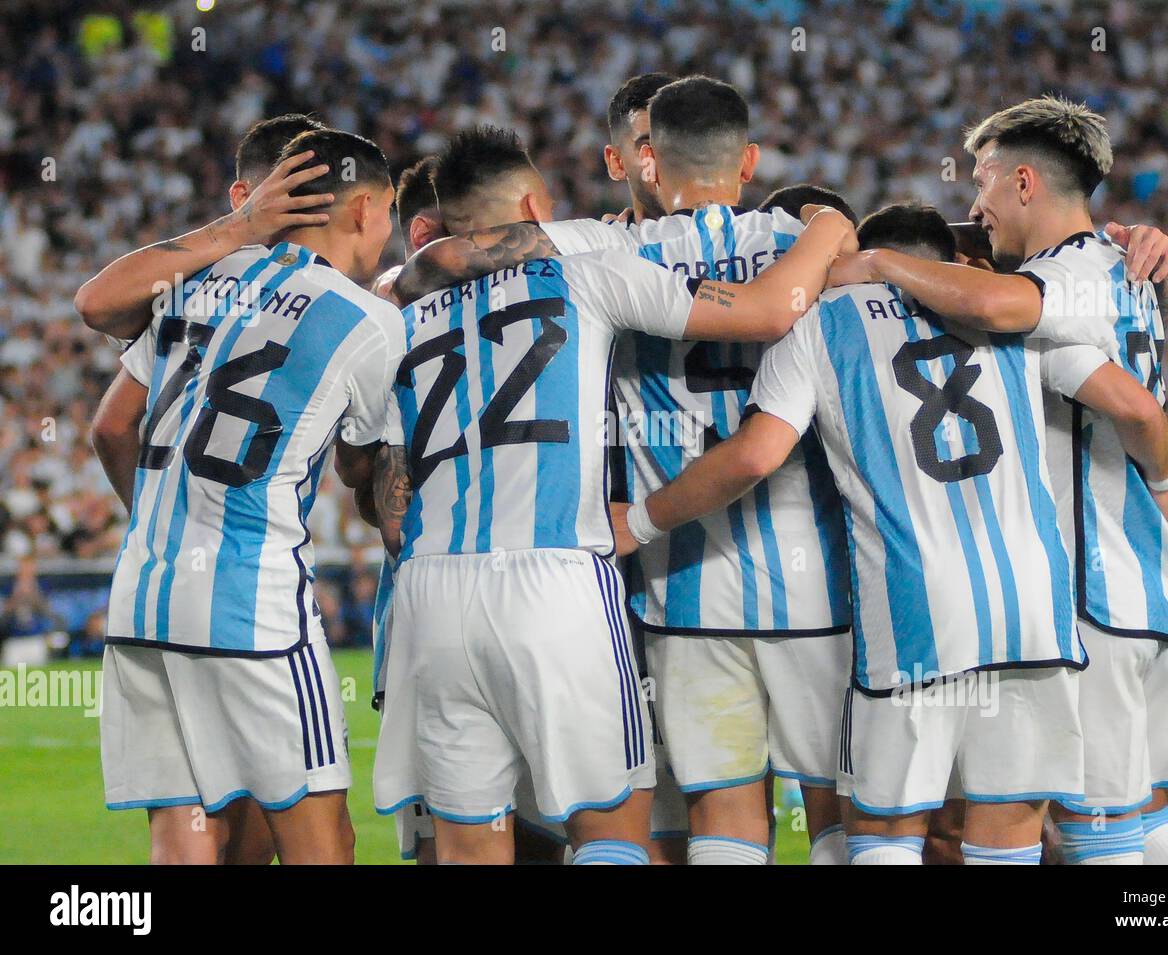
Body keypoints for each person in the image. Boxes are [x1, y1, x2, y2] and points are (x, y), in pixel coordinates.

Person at [370, 180, 856, 863]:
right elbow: (773, 313)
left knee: (466, 838)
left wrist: (397, 277)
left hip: (437, 590)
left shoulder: (401, 317)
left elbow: (378, 494)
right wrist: (831, 222)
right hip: (587, 576)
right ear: (536, 205)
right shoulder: (594, 268)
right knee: (615, 819)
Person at [857, 95, 1168, 864]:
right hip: (1151, 585)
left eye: (982, 182)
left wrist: (1165, 473)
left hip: (1093, 596)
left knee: (1099, 842)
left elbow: (1135, 407)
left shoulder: (1058, 286)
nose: (974, 202)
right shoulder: (1124, 267)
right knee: (1148, 828)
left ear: (1024, 181)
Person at [92, 127, 405, 864]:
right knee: (322, 839)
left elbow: (110, 427)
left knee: (188, 840)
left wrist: (163, 517)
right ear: (362, 210)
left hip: (142, 592)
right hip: (251, 598)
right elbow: (368, 469)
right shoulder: (366, 318)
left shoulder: (196, 280)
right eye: (388, 213)